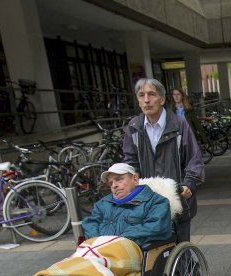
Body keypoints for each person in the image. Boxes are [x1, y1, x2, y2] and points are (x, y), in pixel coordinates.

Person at [123, 78, 205, 243]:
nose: (146, 100)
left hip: (176, 195)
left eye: (151, 94)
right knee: (152, 246)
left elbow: (194, 158)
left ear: (162, 99)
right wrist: (130, 181)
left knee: (179, 243)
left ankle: (187, 267)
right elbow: (130, 161)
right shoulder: (134, 127)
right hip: (147, 198)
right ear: (138, 101)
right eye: (141, 95)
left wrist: (189, 183)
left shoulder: (179, 124)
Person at [81, 163, 175, 251]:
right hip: (99, 250)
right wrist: (98, 242)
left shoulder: (156, 202)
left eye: (119, 179)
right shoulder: (102, 204)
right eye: (110, 183)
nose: (114, 185)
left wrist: (118, 242)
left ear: (134, 179)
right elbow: (90, 223)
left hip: (128, 252)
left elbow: (154, 228)